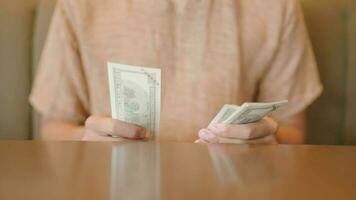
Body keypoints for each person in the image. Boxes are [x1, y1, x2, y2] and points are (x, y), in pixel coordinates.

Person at [30, 0, 322, 144]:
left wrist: (269, 140)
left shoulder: (275, 7)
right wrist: (86, 141)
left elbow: (293, 131)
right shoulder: (81, 5)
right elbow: (54, 127)